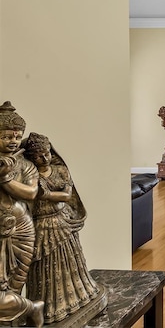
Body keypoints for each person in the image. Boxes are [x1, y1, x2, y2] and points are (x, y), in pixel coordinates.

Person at [23, 132, 101, 324]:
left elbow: (67, 195)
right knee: (43, 267)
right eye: (39, 155)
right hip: (40, 225)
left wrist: (45, 194)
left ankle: (81, 294)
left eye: (47, 153)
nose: (45, 158)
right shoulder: (29, 175)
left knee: (72, 261)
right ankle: (47, 309)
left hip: (62, 221)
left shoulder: (60, 171)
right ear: (31, 157)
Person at [0, 101, 44, 327]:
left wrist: (5, 179)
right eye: (6, 136)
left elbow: (31, 193)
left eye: (16, 137)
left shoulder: (25, 165)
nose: (13, 141)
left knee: (14, 282)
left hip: (20, 229)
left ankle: (17, 318)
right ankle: (31, 308)